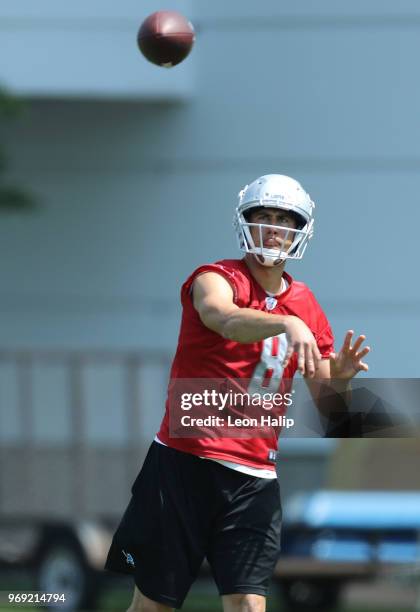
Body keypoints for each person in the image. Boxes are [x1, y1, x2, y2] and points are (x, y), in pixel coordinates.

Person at [105, 174, 370, 612]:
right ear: (245, 223)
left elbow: (328, 406)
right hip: (184, 464)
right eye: (263, 217)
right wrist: (285, 323)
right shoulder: (216, 277)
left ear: (299, 231)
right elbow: (224, 318)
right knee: (155, 605)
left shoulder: (306, 303)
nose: (273, 228)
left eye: (284, 220)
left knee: (249, 604)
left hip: (254, 478)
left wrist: (338, 377)